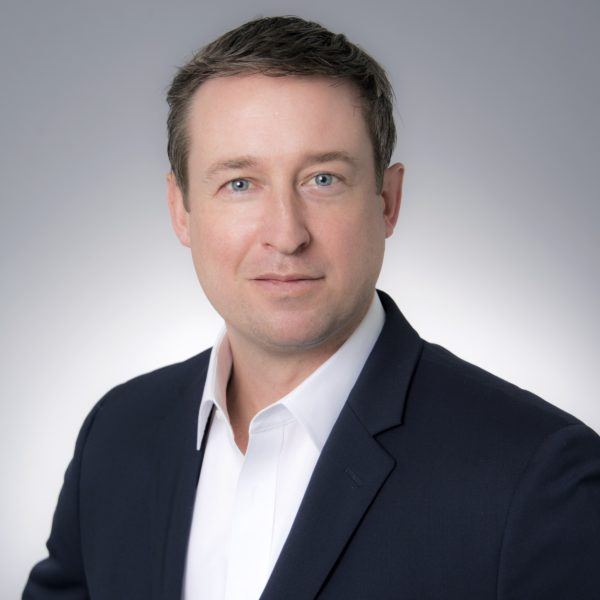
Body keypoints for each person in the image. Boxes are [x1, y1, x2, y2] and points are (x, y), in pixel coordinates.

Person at [23, 15, 600, 600]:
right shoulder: (117, 434)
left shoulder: (538, 476)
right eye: (240, 183)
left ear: (387, 202)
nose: (286, 234)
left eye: (323, 179)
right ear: (181, 210)